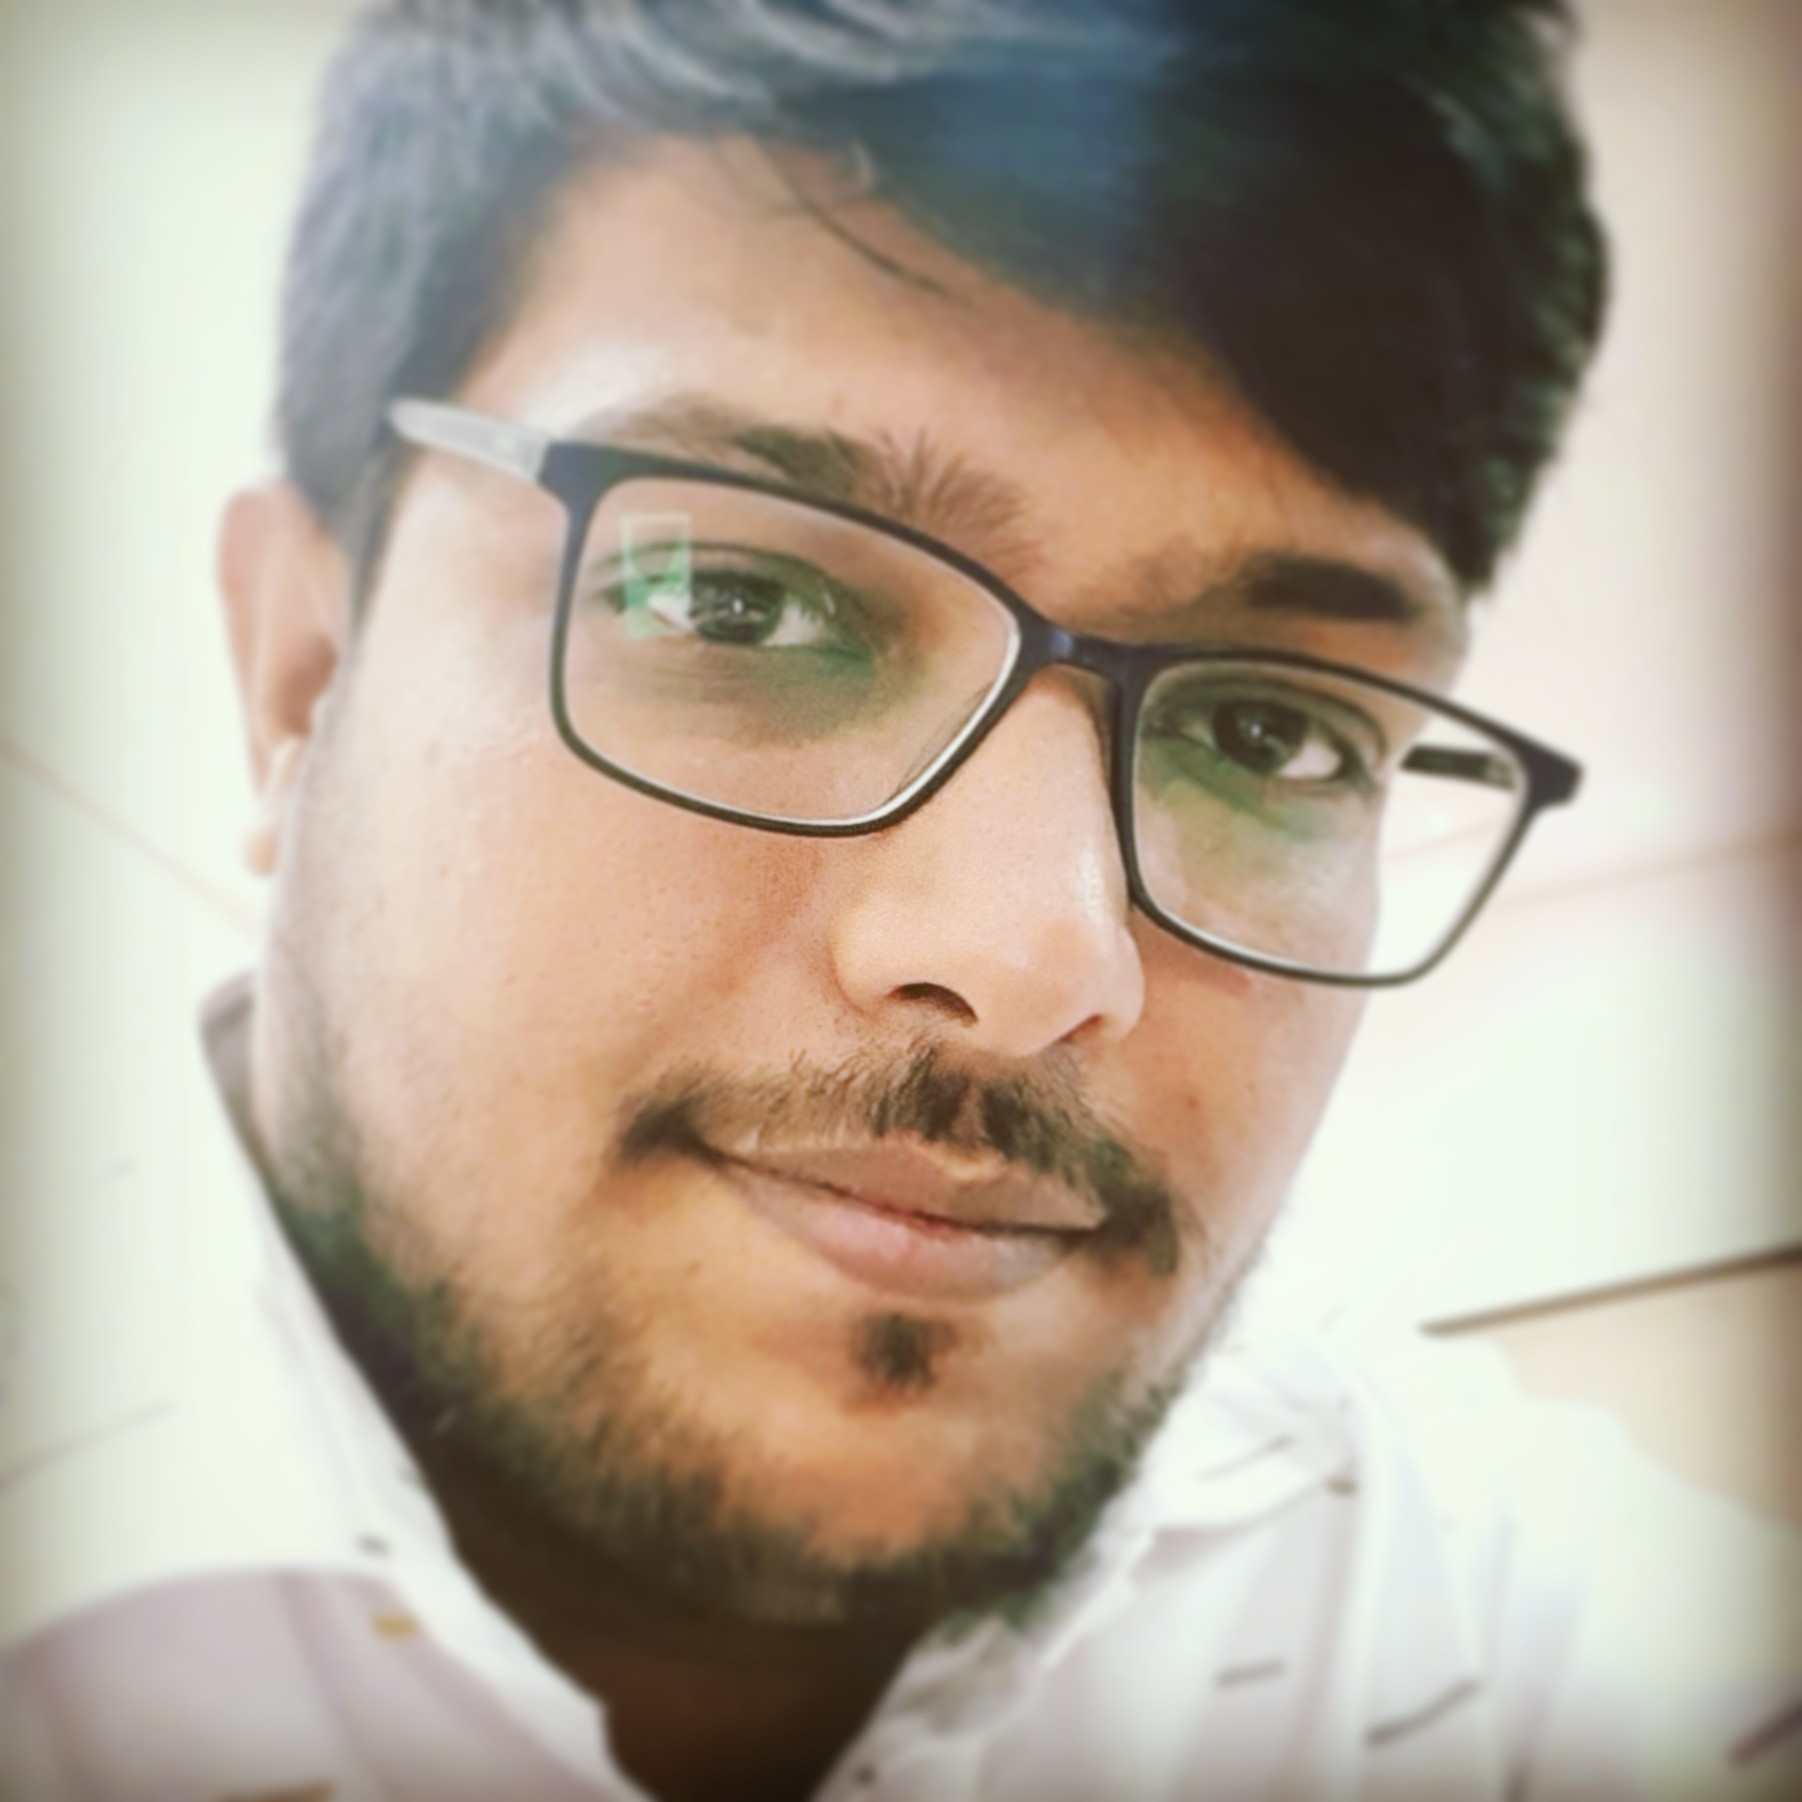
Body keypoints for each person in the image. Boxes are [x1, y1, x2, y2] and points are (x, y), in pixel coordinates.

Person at [1, 1, 1796, 1798]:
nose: (1032, 955)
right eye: (734, 604)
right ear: (302, 672)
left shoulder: (1480, 1597)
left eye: (1269, 730)